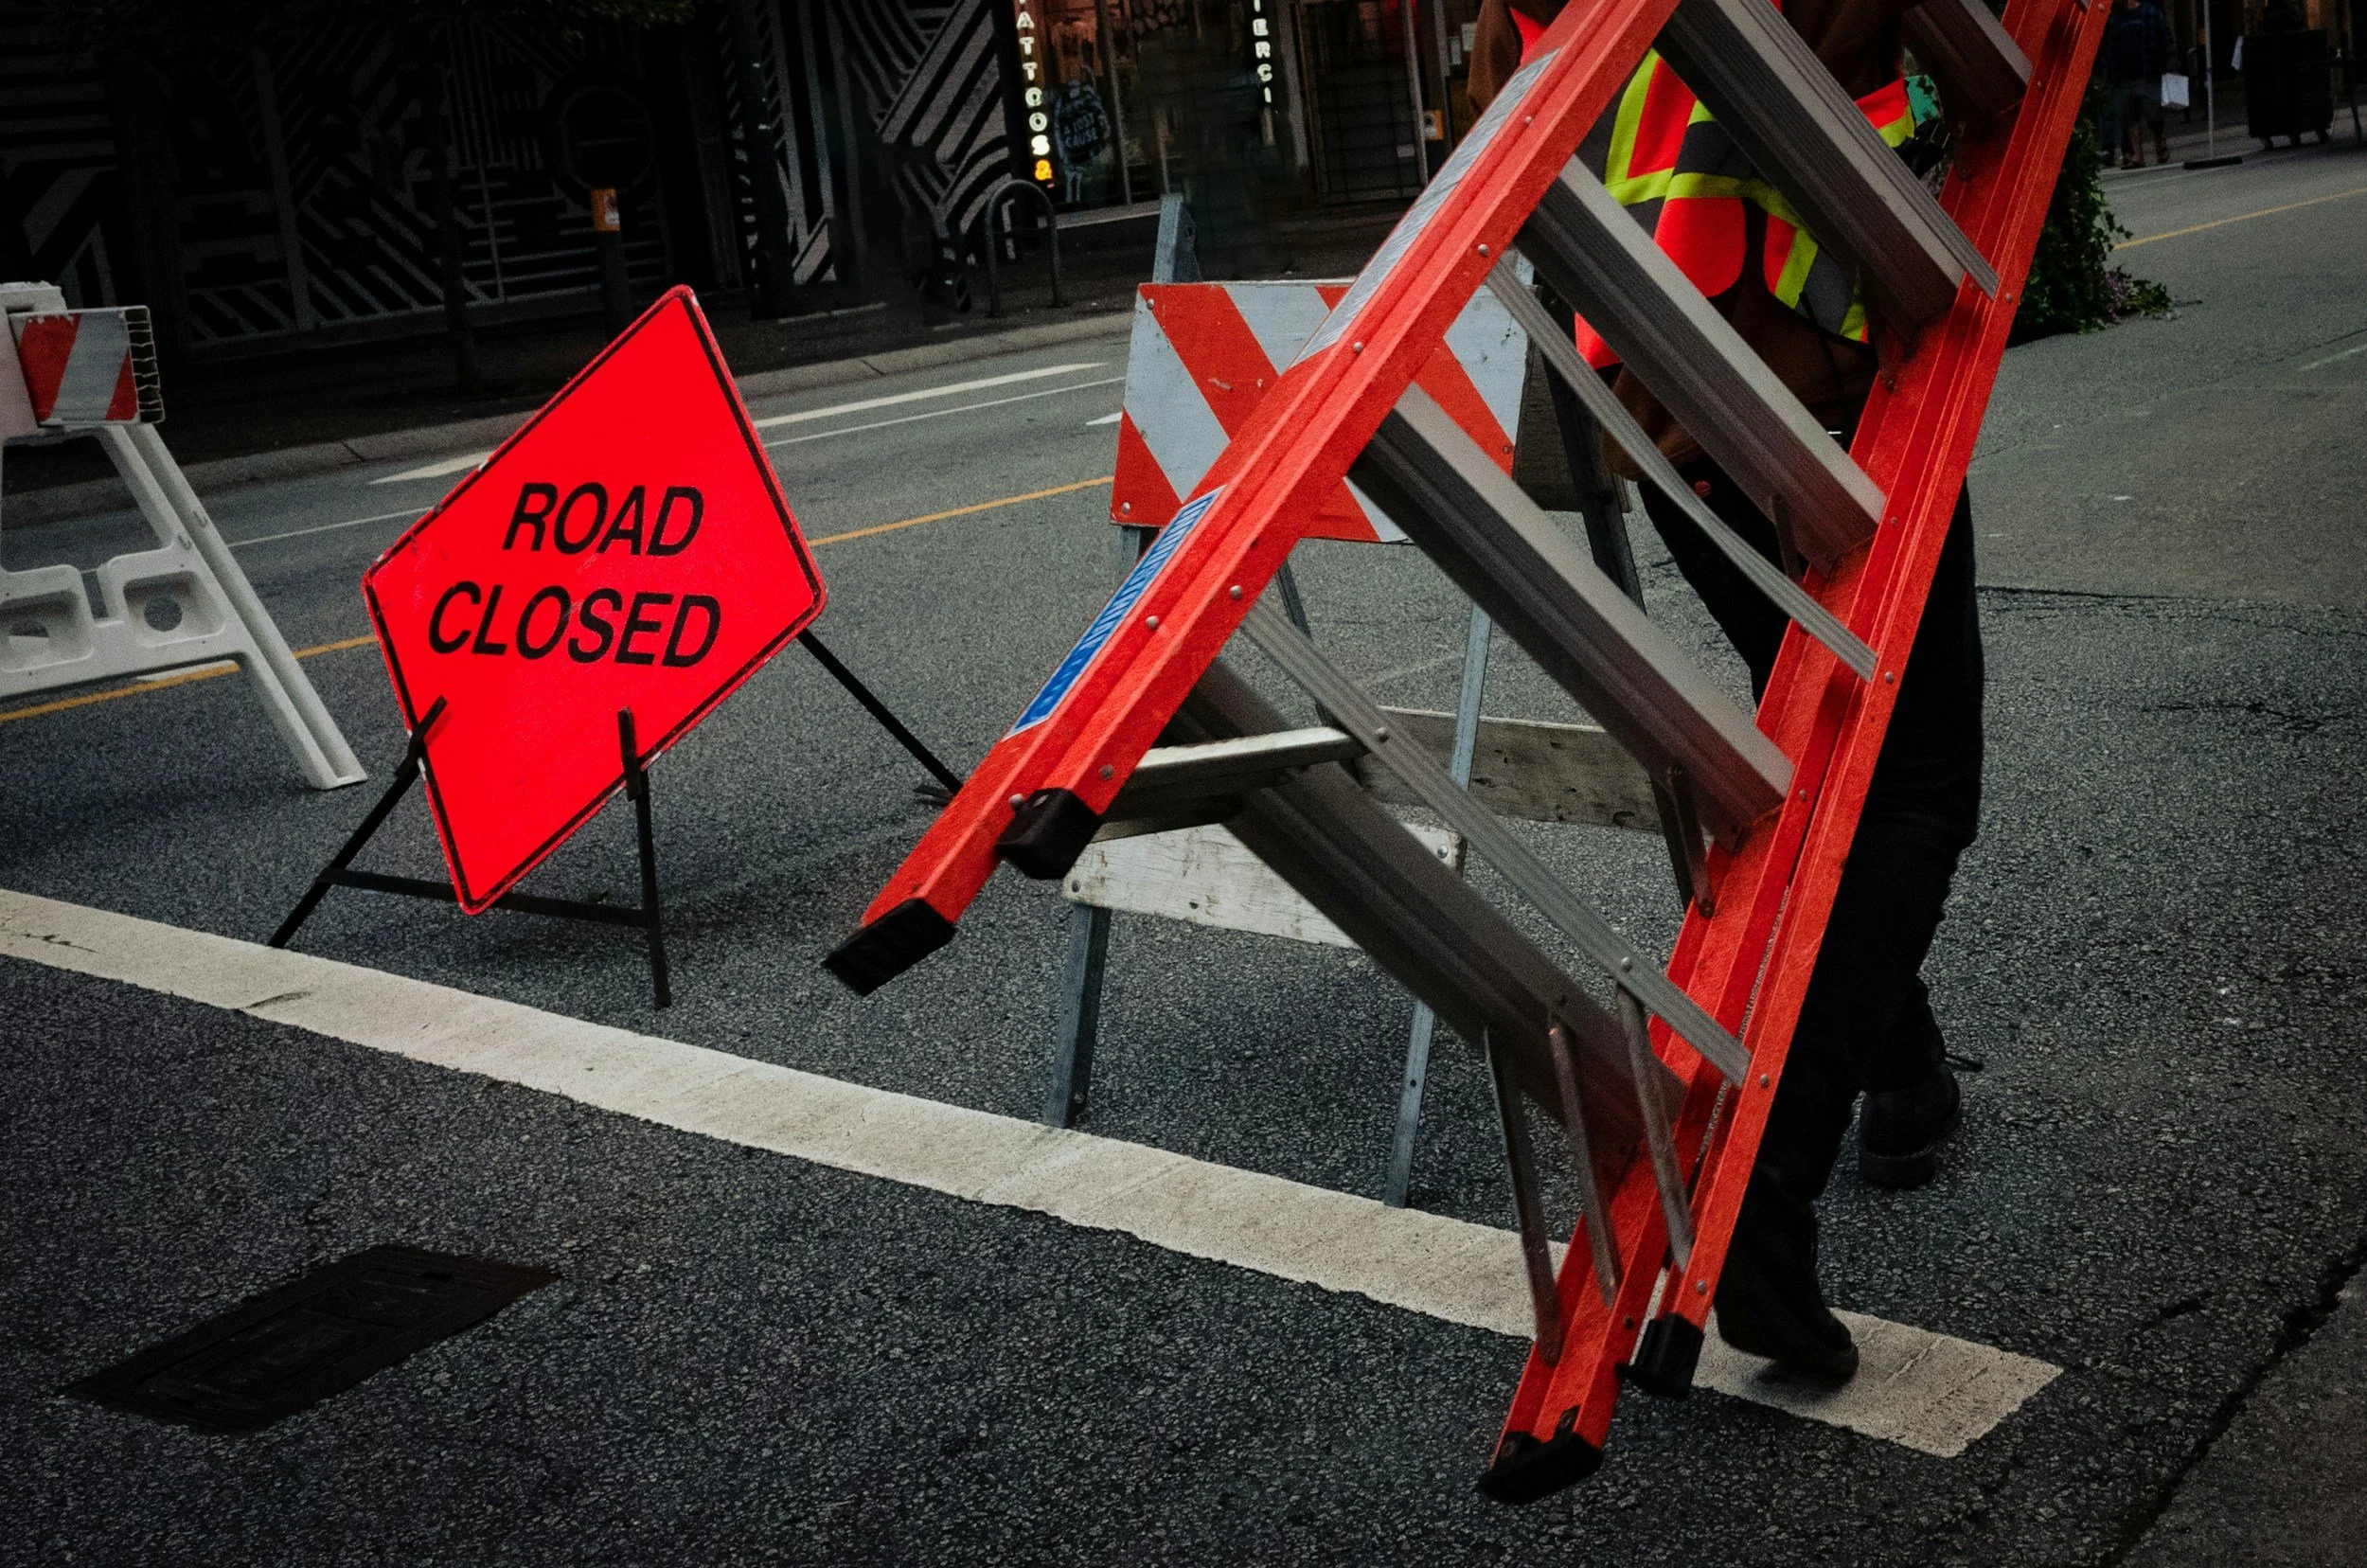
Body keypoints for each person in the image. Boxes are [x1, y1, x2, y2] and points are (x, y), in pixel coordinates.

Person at [1468, 0, 1984, 1382]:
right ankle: (1768, 1185)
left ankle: (1904, 1076)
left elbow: (1503, 106)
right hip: (1816, 377)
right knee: (1917, 780)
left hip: (1667, 388)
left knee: (1836, 768)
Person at [2100, 0, 2176, 166]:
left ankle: (2159, 140)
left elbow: (2165, 37)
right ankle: (2137, 154)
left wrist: (2167, 61)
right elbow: (2109, 45)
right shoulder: (2114, 18)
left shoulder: (2150, 13)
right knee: (2129, 116)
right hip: (2124, 75)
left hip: (2147, 72)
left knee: (2152, 114)